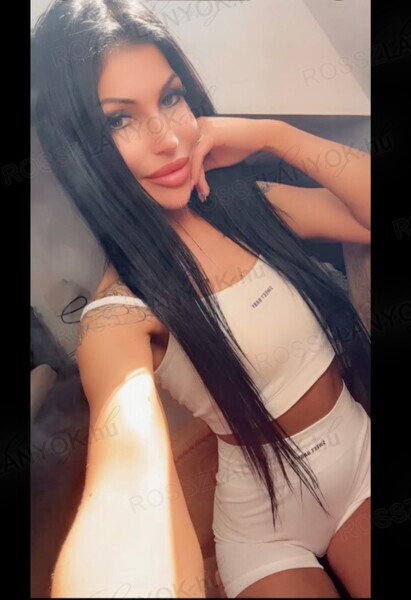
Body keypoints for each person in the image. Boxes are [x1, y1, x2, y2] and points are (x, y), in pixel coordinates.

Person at [31, 1, 371, 597]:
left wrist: (274, 135)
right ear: (80, 150)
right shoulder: (118, 315)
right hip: (262, 531)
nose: (168, 138)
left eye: (170, 97)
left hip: (361, 463)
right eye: (119, 119)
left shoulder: (251, 207)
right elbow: (124, 485)